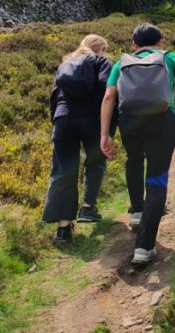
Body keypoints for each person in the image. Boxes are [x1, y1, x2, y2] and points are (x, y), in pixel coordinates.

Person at [100, 23, 175, 265]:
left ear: (134, 44)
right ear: (160, 42)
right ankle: (144, 247)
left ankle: (137, 211)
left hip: (129, 122)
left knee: (133, 159)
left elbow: (109, 96)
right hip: (162, 122)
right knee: (157, 177)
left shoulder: (121, 63)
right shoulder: (170, 58)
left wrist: (104, 134)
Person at [42, 35, 114, 243]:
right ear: (100, 48)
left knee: (63, 170)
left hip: (63, 120)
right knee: (96, 161)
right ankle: (87, 208)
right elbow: (107, 92)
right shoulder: (101, 62)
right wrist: (108, 128)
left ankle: (63, 229)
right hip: (92, 120)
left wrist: (56, 121)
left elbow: (54, 96)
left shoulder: (65, 65)